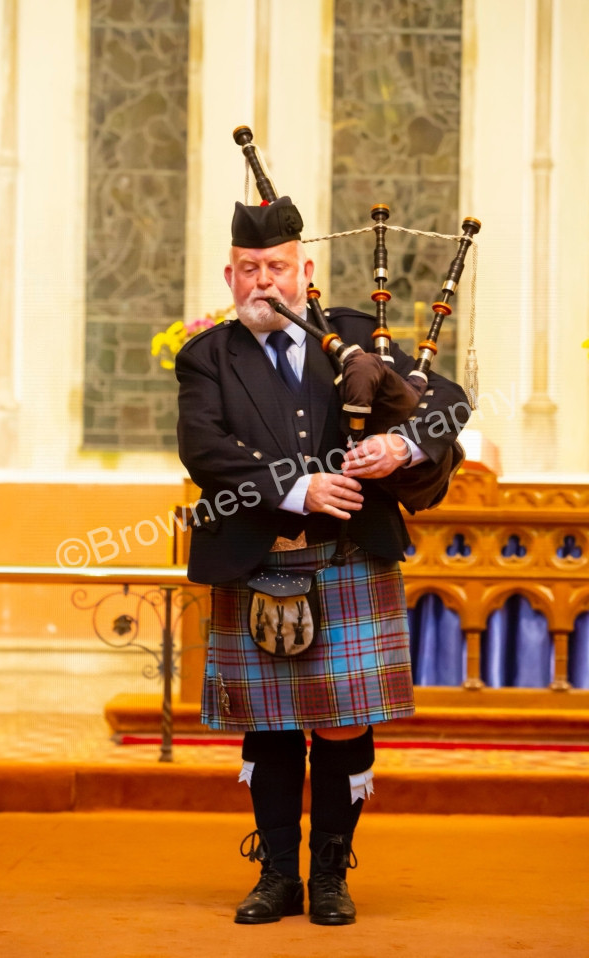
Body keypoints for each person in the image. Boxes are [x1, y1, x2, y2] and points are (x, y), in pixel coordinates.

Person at [176, 196, 469, 926]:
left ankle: (331, 874)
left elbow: (452, 402)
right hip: (259, 561)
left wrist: (404, 444)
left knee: (343, 723)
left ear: (306, 271)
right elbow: (204, 451)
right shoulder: (206, 355)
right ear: (229, 275)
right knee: (272, 728)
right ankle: (277, 875)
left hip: (348, 558)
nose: (261, 282)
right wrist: (300, 487)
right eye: (248, 269)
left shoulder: (355, 336)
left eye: (276, 266)